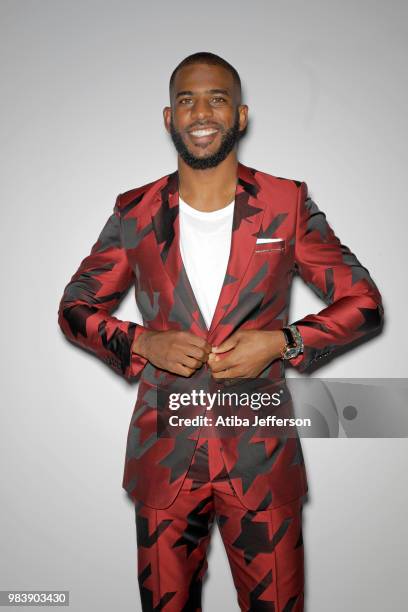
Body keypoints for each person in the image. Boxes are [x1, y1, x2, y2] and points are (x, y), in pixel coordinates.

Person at [58, 52, 384, 611]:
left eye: (217, 98)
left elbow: (364, 302)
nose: (201, 111)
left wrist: (282, 341)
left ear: (241, 115)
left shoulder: (286, 203)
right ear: (169, 118)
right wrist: (142, 342)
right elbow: (75, 307)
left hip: (262, 461)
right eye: (187, 100)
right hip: (164, 460)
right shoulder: (134, 211)